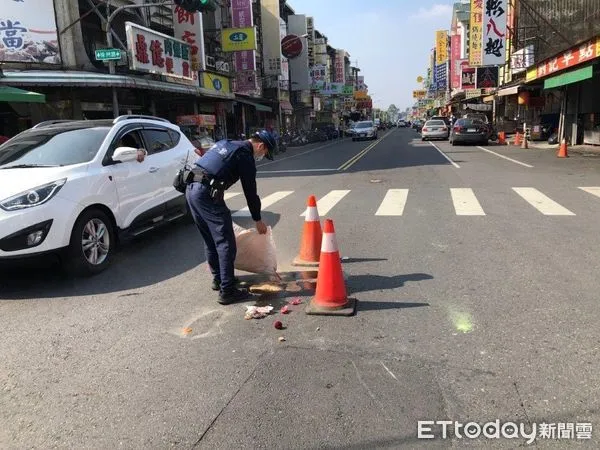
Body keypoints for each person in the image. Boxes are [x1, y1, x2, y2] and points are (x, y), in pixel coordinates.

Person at [186, 130, 276, 305]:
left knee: (211, 239)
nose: (262, 156)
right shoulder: (245, 155)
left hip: (191, 190)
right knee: (226, 241)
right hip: (207, 193)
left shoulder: (227, 143)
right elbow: (250, 191)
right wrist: (257, 219)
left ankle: (219, 279)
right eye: (264, 153)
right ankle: (227, 291)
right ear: (261, 145)